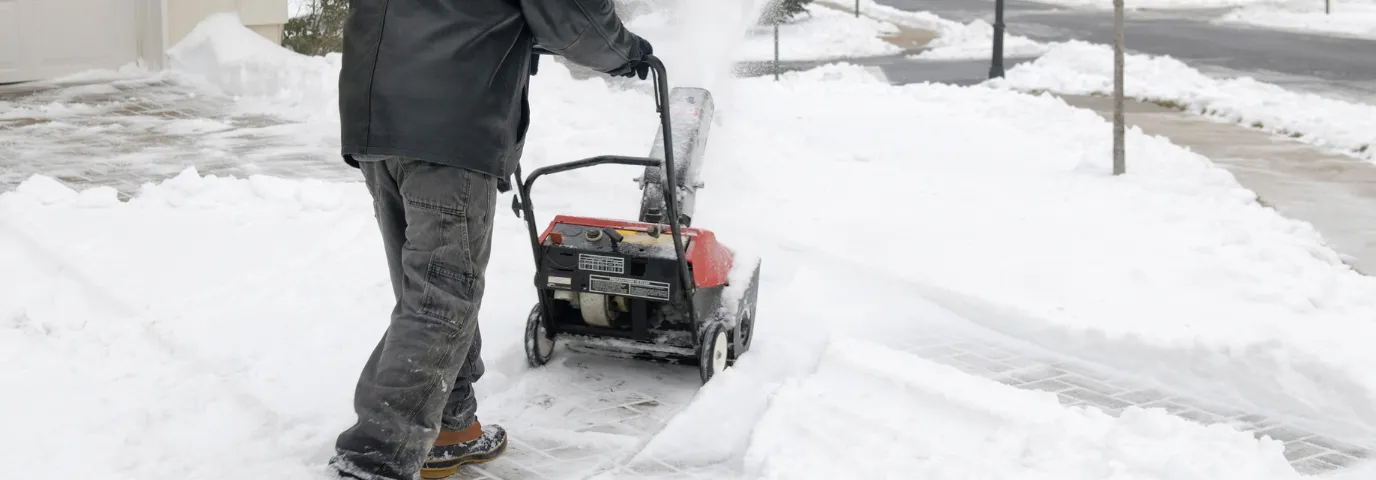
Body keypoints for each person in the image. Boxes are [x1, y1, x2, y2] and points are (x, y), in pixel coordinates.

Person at [327, 0, 654, 478]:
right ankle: (375, 455)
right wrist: (625, 52)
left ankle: (450, 425)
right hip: (448, 121)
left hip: (375, 114)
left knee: (426, 293)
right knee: (442, 301)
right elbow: (572, 13)